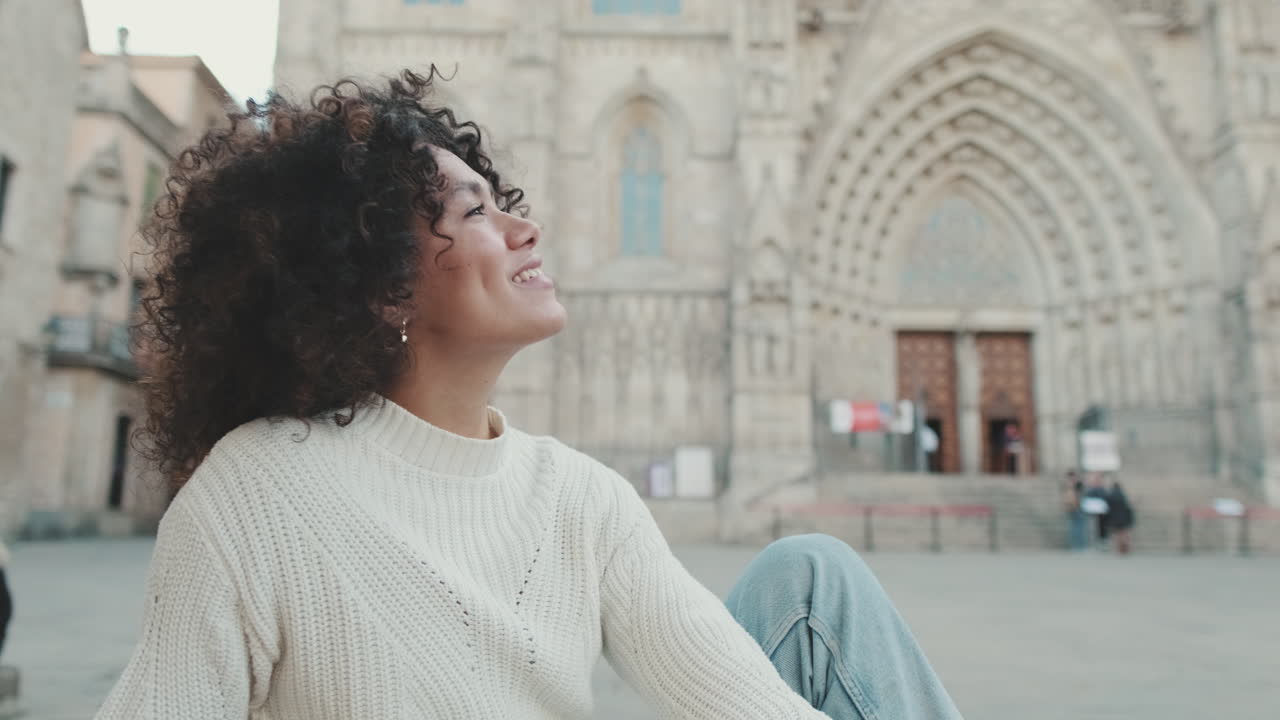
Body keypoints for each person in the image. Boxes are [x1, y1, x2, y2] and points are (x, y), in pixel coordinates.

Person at [95, 69, 961, 719]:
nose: (527, 227)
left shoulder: (581, 499)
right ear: (384, 288)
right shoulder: (254, 496)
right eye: (475, 213)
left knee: (811, 580)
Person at [1106, 479, 1136, 555]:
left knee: (1117, 535)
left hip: (1115, 518)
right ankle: (1125, 549)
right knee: (1124, 534)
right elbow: (1128, 508)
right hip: (1124, 518)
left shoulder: (1111, 495)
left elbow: (1108, 507)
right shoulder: (1123, 495)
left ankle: (1119, 549)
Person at [1063, 470, 1087, 551]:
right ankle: (1078, 545)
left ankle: (1077, 545)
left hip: (1074, 507)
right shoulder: (1073, 485)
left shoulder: (1070, 484)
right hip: (1076, 507)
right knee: (1077, 528)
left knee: (1076, 527)